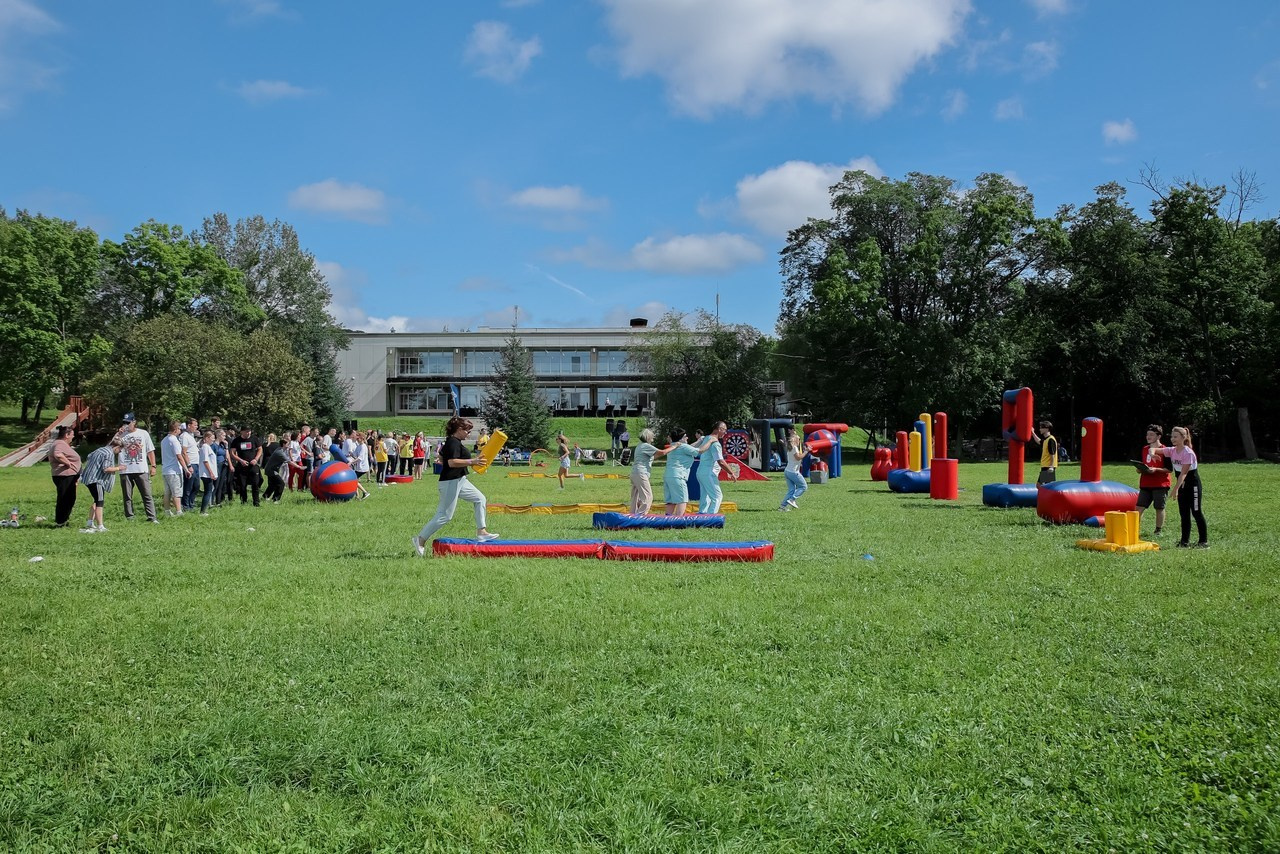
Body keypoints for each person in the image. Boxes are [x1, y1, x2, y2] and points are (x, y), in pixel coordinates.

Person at [411, 416, 499, 556]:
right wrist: (472, 461)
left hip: (460, 480)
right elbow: (451, 462)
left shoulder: (453, 442)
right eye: (467, 431)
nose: (468, 434)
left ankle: (481, 532)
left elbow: (441, 456)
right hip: (450, 482)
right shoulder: (453, 442)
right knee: (445, 516)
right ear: (459, 429)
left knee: (480, 499)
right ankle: (420, 540)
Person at [1150, 426, 1208, 548]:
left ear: (1183, 438)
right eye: (1172, 436)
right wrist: (1152, 454)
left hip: (1192, 486)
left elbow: (1183, 474)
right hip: (1181, 486)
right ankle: (1184, 542)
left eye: (1175, 437)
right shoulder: (1172, 450)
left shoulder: (1188, 453)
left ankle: (1203, 542)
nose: (1172, 439)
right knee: (1184, 514)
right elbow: (1153, 448)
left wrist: (1175, 489)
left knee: (1196, 512)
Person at [117, 413, 158, 523]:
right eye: (124, 422)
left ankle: (152, 517)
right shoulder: (120, 434)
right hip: (125, 469)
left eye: (128, 422)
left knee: (147, 494)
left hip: (141, 469)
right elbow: (112, 448)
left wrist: (153, 465)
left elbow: (150, 450)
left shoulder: (143, 433)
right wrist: (118, 435)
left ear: (134, 422)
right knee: (127, 496)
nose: (126, 425)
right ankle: (129, 517)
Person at [78, 436, 124, 533]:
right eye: (120, 449)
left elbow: (89, 456)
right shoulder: (109, 453)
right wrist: (119, 468)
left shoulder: (100, 449)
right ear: (116, 447)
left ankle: (90, 522)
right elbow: (106, 469)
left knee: (96, 500)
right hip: (96, 480)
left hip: (88, 477)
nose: (120, 452)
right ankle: (100, 526)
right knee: (100, 501)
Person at [1135, 424, 1171, 536]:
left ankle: (1158, 531)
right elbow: (1142, 464)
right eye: (1147, 434)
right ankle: (1134, 529)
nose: (1148, 437)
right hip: (1145, 483)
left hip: (1160, 484)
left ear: (1158, 436)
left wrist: (1155, 469)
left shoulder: (1165, 450)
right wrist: (1140, 469)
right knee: (1139, 507)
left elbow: (1169, 469)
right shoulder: (1144, 449)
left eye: (1151, 434)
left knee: (1159, 507)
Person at [629, 428, 670, 515]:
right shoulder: (646, 446)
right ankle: (641, 515)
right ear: (648, 437)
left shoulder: (639, 446)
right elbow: (662, 452)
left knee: (635, 496)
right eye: (652, 437)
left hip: (635, 473)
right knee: (647, 496)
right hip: (641, 473)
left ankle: (632, 514)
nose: (653, 438)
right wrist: (674, 447)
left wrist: (668, 450)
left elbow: (652, 457)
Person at [661, 428, 701, 516]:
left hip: (668, 476)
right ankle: (679, 520)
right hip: (678, 476)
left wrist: (699, 441)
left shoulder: (672, 445)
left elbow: (690, 447)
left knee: (671, 501)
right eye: (685, 436)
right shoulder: (684, 447)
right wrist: (710, 441)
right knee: (682, 500)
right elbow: (700, 451)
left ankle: (667, 520)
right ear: (681, 438)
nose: (687, 438)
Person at [48, 425, 82, 528]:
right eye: (72, 434)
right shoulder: (59, 444)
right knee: (64, 498)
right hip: (64, 476)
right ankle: (60, 521)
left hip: (69, 476)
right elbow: (58, 454)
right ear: (66, 435)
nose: (73, 436)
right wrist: (68, 463)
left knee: (70, 498)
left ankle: (64, 520)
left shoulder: (61, 444)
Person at [692, 422, 727, 513]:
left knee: (705, 496)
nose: (725, 432)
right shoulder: (715, 443)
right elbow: (720, 461)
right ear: (719, 429)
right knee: (717, 497)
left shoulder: (706, 438)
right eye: (724, 430)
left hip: (700, 472)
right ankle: (711, 518)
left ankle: (702, 514)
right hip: (709, 473)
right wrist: (731, 472)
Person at [159, 420, 188, 517]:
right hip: (174, 470)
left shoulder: (164, 440)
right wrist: (186, 469)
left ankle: (167, 511)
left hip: (165, 470)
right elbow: (179, 456)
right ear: (176, 429)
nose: (180, 431)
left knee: (167, 492)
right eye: (179, 429)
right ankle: (179, 511)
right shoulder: (174, 440)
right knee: (177, 492)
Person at [230, 425, 263, 506]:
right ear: (242, 432)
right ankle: (243, 501)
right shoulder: (236, 440)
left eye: (249, 431)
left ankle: (256, 502)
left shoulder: (254, 439)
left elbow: (260, 449)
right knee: (242, 485)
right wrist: (240, 460)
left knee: (255, 484)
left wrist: (256, 459)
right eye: (246, 431)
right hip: (242, 466)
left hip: (253, 465)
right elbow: (232, 453)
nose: (248, 433)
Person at [780, 428, 808, 511]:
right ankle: (792, 499)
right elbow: (798, 457)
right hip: (793, 472)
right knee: (803, 487)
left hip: (787, 471)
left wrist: (792, 433)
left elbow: (787, 445)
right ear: (795, 440)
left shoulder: (790, 447)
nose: (799, 441)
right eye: (798, 439)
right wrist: (806, 451)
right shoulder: (794, 448)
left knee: (791, 490)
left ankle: (782, 507)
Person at [180, 417, 201, 511]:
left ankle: (191, 503)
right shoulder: (184, 436)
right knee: (188, 486)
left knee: (196, 486)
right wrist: (188, 466)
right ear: (189, 425)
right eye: (195, 425)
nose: (196, 427)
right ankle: (185, 505)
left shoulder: (191, 435)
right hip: (190, 463)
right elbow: (184, 452)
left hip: (196, 463)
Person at [1030, 420, 1059, 484]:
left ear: (1047, 429)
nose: (1040, 429)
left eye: (1041, 428)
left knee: (1043, 485)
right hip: (1045, 466)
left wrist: (1051, 466)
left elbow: (1052, 454)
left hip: (1048, 466)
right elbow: (1039, 441)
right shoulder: (1046, 439)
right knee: (1045, 485)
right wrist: (1033, 433)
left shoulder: (1051, 440)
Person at [198, 430, 219, 515]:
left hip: (209, 473)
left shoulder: (208, 447)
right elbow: (205, 461)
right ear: (207, 438)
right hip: (206, 474)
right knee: (208, 491)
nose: (213, 440)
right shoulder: (205, 447)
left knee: (210, 490)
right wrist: (211, 472)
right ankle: (203, 511)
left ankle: (204, 510)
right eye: (212, 438)